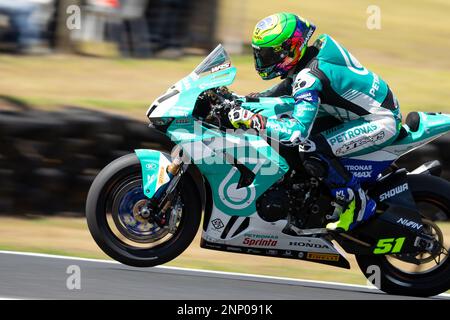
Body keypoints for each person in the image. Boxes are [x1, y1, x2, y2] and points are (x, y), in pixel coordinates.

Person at [227, 12, 402, 232]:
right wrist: (238, 101)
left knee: (309, 147)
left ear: (292, 48)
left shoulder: (309, 76)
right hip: (356, 114)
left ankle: (357, 203)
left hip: (380, 121)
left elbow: (297, 131)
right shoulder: (311, 56)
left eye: (270, 55)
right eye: (260, 54)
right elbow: (279, 93)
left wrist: (254, 121)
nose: (264, 61)